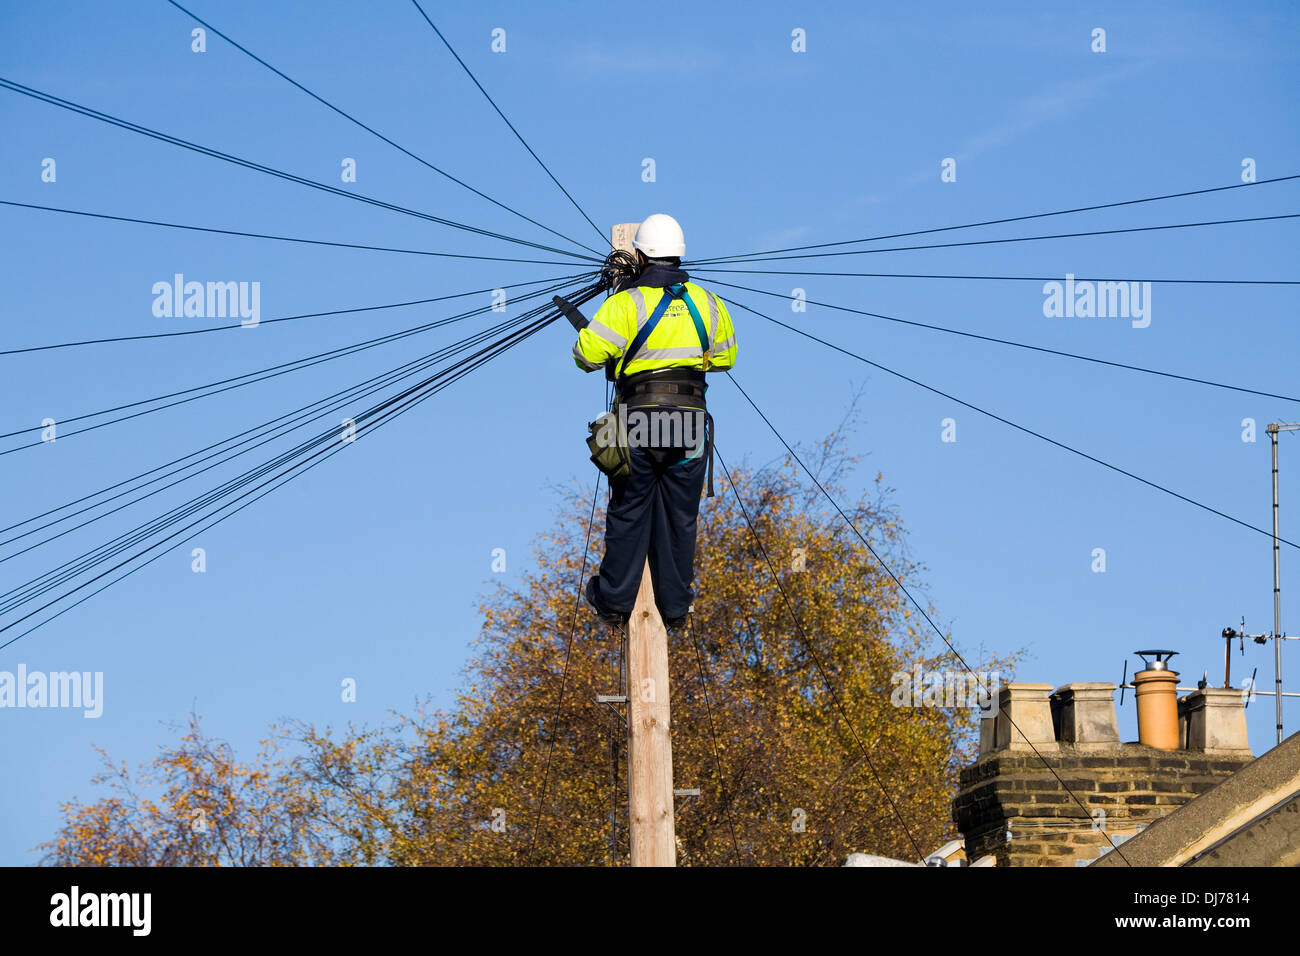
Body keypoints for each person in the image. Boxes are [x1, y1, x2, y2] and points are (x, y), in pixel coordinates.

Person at [571, 213, 737, 631]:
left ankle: (612, 601)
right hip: (689, 424)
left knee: (630, 510)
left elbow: (585, 357)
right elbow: (726, 357)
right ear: (680, 254)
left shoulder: (624, 304)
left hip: (639, 423)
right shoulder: (708, 301)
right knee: (680, 517)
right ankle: (676, 607)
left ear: (640, 255)